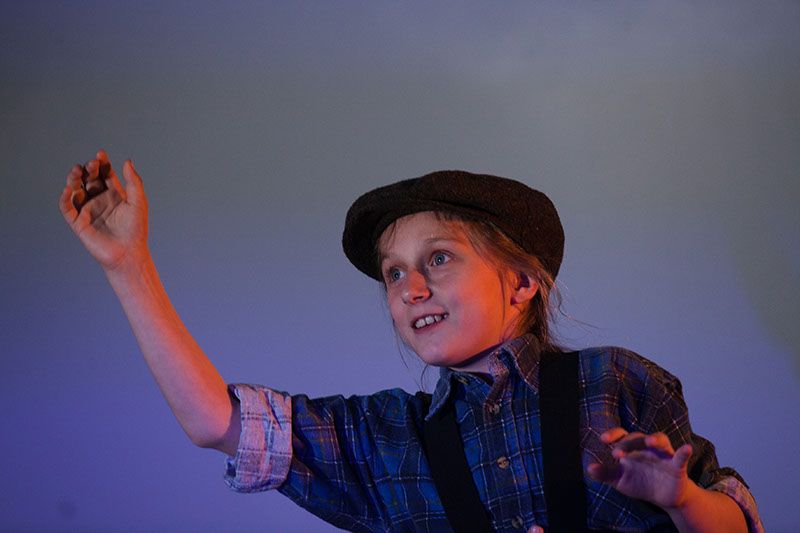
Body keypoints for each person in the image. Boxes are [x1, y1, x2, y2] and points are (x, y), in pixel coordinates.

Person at [60, 151, 762, 533]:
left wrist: (680, 499)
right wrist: (129, 267)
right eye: (394, 272)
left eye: (439, 258)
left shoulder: (616, 382)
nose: (409, 287)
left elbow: (732, 521)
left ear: (522, 282)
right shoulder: (383, 440)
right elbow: (215, 420)